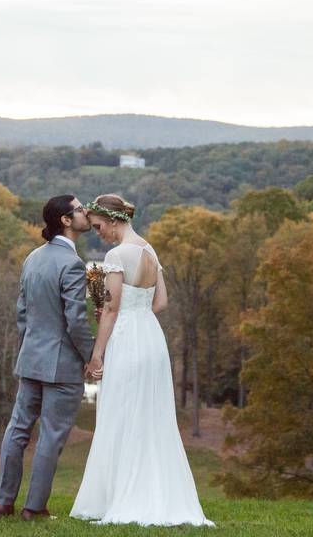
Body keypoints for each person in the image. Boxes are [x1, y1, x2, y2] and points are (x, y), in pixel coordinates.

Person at [70, 194, 214, 527]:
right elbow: (161, 302)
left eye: (99, 227)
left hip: (128, 340)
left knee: (122, 413)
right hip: (151, 338)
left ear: (112, 220)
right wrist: (137, 314)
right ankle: (155, 493)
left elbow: (111, 308)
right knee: (151, 415)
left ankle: (124, 497)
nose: (98, 233)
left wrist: (97, 353)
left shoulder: (117, 254)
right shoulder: (150, 250)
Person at [0, 195, 100, 521]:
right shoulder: (71, 264)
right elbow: (75, 320)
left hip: (31, 360)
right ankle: (34, 508)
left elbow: (22, 313)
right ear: (66, 221)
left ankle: (3, 502)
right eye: (80, 209)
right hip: (61, 365)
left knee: (18, 429)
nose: (86, 213)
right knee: (51, 436)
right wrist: (92, 355)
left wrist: (30, 348)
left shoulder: (32, 258)